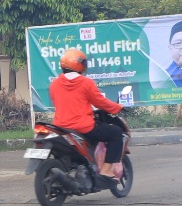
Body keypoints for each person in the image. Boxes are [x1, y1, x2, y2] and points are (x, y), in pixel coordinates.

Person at [50, 48, 125, 178]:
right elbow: (100, 102)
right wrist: (117, 107)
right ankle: (106, 169)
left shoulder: (54, 84)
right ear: (79, 64)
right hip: (83, 127)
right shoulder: (86, 83)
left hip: (60, 127)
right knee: (116, 133)